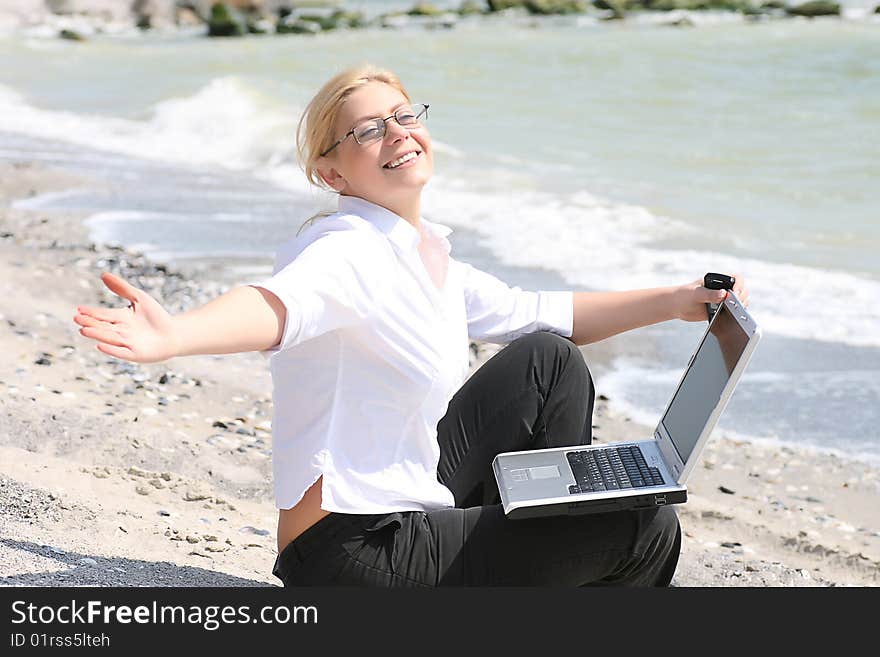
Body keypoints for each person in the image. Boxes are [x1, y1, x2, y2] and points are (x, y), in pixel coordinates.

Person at [73, 64, 750, 587]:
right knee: (647, 528)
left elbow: (546, 313)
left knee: (548, 361)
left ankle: (541, 544)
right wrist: (176, 335)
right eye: (370, 129)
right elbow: (280, 304)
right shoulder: (348, 249)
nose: (398, 134)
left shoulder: (424, 253)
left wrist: (675, 298)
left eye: (403, 116)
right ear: (330, 170)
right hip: (354, 557)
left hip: (394, 509)